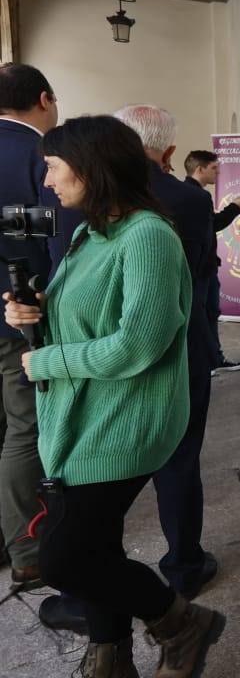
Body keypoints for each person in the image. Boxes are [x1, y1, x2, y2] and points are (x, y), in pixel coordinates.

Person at [3, 115, 226, 678]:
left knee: (65, 556)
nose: (47, 181)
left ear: (91, 167)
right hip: (85, 416)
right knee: (96, 546)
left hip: (123, 422)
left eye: (53, 167)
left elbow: (139, 344)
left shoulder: (147, 235)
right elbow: (83, 311)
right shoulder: (90, 232)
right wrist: (35, 310)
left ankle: (181, 622)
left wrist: (47, 358)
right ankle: (111, 655)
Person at [118, 106, 223, 603]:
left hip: (110, 350)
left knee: (108, 461)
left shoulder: (92, 195)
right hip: (183, 343)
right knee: (180, 459)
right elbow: (201, 269)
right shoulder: (188, 198)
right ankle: (185, 564)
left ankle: (101, 564)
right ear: (170, 152)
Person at [0, 62, 59, 592]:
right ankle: (28, 547)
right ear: (44, 99)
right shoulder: (37, 153)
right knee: (24, 427)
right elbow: (56, 238)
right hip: (21, 312)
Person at [184, 150, 240, 374]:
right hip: (200, 270)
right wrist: (236, 207)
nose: (219, 172)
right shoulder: (193, 196)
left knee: (211, 312)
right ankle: (205, 360)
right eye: (214, 168)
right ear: (199, 168)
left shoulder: (196, 194)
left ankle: (213, 358)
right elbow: (213, 225)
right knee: (201, 315)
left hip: (208, 267)